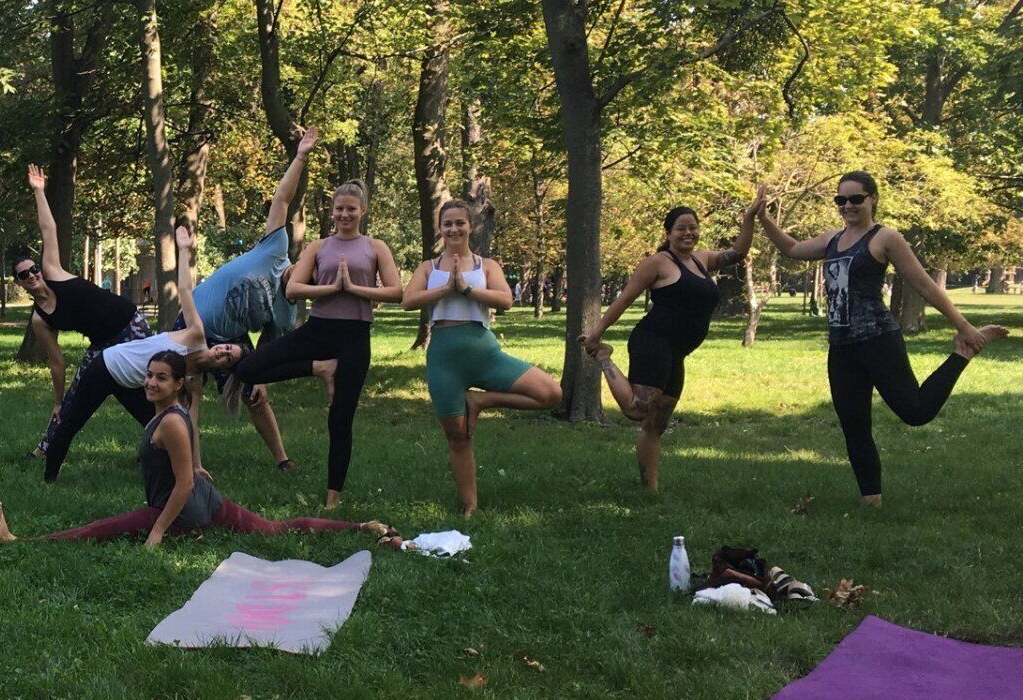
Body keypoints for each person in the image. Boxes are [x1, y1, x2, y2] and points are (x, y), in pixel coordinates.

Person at [755, 173, 1005, 505]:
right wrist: (764, 217)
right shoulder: (832, 239)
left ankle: (961, 353)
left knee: (915, 411)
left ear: (872, 199)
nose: (847, 206)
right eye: (840, 201)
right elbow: (791, 248)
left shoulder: (884, 238)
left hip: (878, 339)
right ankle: (871, 500)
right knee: (853, 425)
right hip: (842, 346)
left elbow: (924, 284)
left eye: (855, 199)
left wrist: (963, 326)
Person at [0, 349, 402, 548]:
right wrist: (196, 468)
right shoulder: (177, 411)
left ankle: (19, 542)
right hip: (211, 501)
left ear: (177, 385)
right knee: (276, 528)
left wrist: (157, 530)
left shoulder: (170, 420)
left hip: (184, 509)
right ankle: (361, 527)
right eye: (149, 376)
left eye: (161, 378)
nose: (151, 382)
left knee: (99, 530)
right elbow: (189, 462)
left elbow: (183, 483)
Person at [233, 181, 402, 507]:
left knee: (340, 418)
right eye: (340, 208)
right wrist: (331, 289)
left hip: (355, 335)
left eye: (351, 209)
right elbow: (293, 289)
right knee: (247, 367)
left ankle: (332, 497)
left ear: (362, 211)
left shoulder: (375, 247)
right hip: (318, 329)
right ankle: (319, 368)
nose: (345, 214)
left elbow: (397, 292)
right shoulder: (319, 247)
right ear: (332, 211)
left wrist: (354, 289)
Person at [399, 200, 562, 516]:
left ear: (470, 226)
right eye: (447, 224)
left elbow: (506, 300)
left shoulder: (486, 266)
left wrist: (467, 290)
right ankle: (470, 505)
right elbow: (408, 300)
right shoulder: (427, 268)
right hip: (444, 356)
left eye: (460, 223)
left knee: (551, 394)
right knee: (457, 437)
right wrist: (447, 288)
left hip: (484, 351)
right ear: (440, 228)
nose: (454, 229)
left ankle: (481, 401)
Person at [42, 225, 243, 481]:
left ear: (224, 367)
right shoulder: (196, 335)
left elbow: (190, 424)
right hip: (108, 365)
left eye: (228, 357)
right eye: (226, 347)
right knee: (73, 420)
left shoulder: (193, 381)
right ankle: (50, 477)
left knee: (164, 424)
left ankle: (162, 470)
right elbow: (184, 291)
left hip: (133, 383)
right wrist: (183, 250)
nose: (223, 352)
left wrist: (195, 465)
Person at [581, 200, 758, 490]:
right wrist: (596, 334)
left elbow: (738, 253)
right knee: (637, 409)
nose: (688, 233)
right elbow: (625, 299)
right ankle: (604, 359)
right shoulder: (658, 263)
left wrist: (750, 217)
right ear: (668, 233)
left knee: (656, 423)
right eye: (680, 228)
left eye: (693, 227)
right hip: (653, 341)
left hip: (677, 352)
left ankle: (649, 489)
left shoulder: (702, 260)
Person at [176, 127, 323, 469]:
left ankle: (282, 460)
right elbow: (282, 200)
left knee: (256, 394)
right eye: (306, 267)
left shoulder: (286, 316)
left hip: (232, 341)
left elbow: (270, 352)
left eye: (311, 277)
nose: (302, 273)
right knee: (183, 391)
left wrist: (257, 377)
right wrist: (300, 156)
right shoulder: (275, 249)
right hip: (193, 318)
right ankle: (177, 456)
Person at [18, 163, 155, 458]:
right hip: (102, 344)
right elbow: (56, 363)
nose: (31, 274)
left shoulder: (53, 270)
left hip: (130, 325)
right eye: (23, 275)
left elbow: (48, 229)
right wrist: (56, 400)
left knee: (152, 382)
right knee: (79, 394)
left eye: (32, 268)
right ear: (21, 284)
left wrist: (39, 191)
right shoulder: (41, 320)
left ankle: (169, 435)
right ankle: (46, 449)